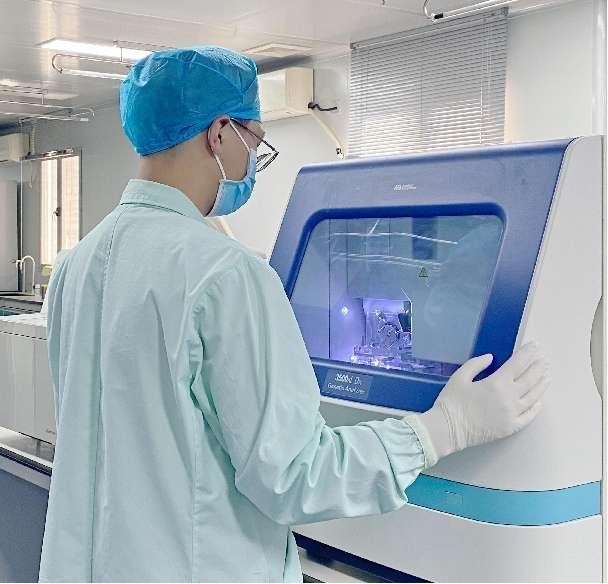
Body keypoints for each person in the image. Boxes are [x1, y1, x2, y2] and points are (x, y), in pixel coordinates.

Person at [39, 46, 550, 582]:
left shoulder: (77, 264)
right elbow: (294, 475)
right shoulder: (226, 274)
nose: (252, 163)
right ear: (219, 133)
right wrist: (444, 428)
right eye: (254, 140)